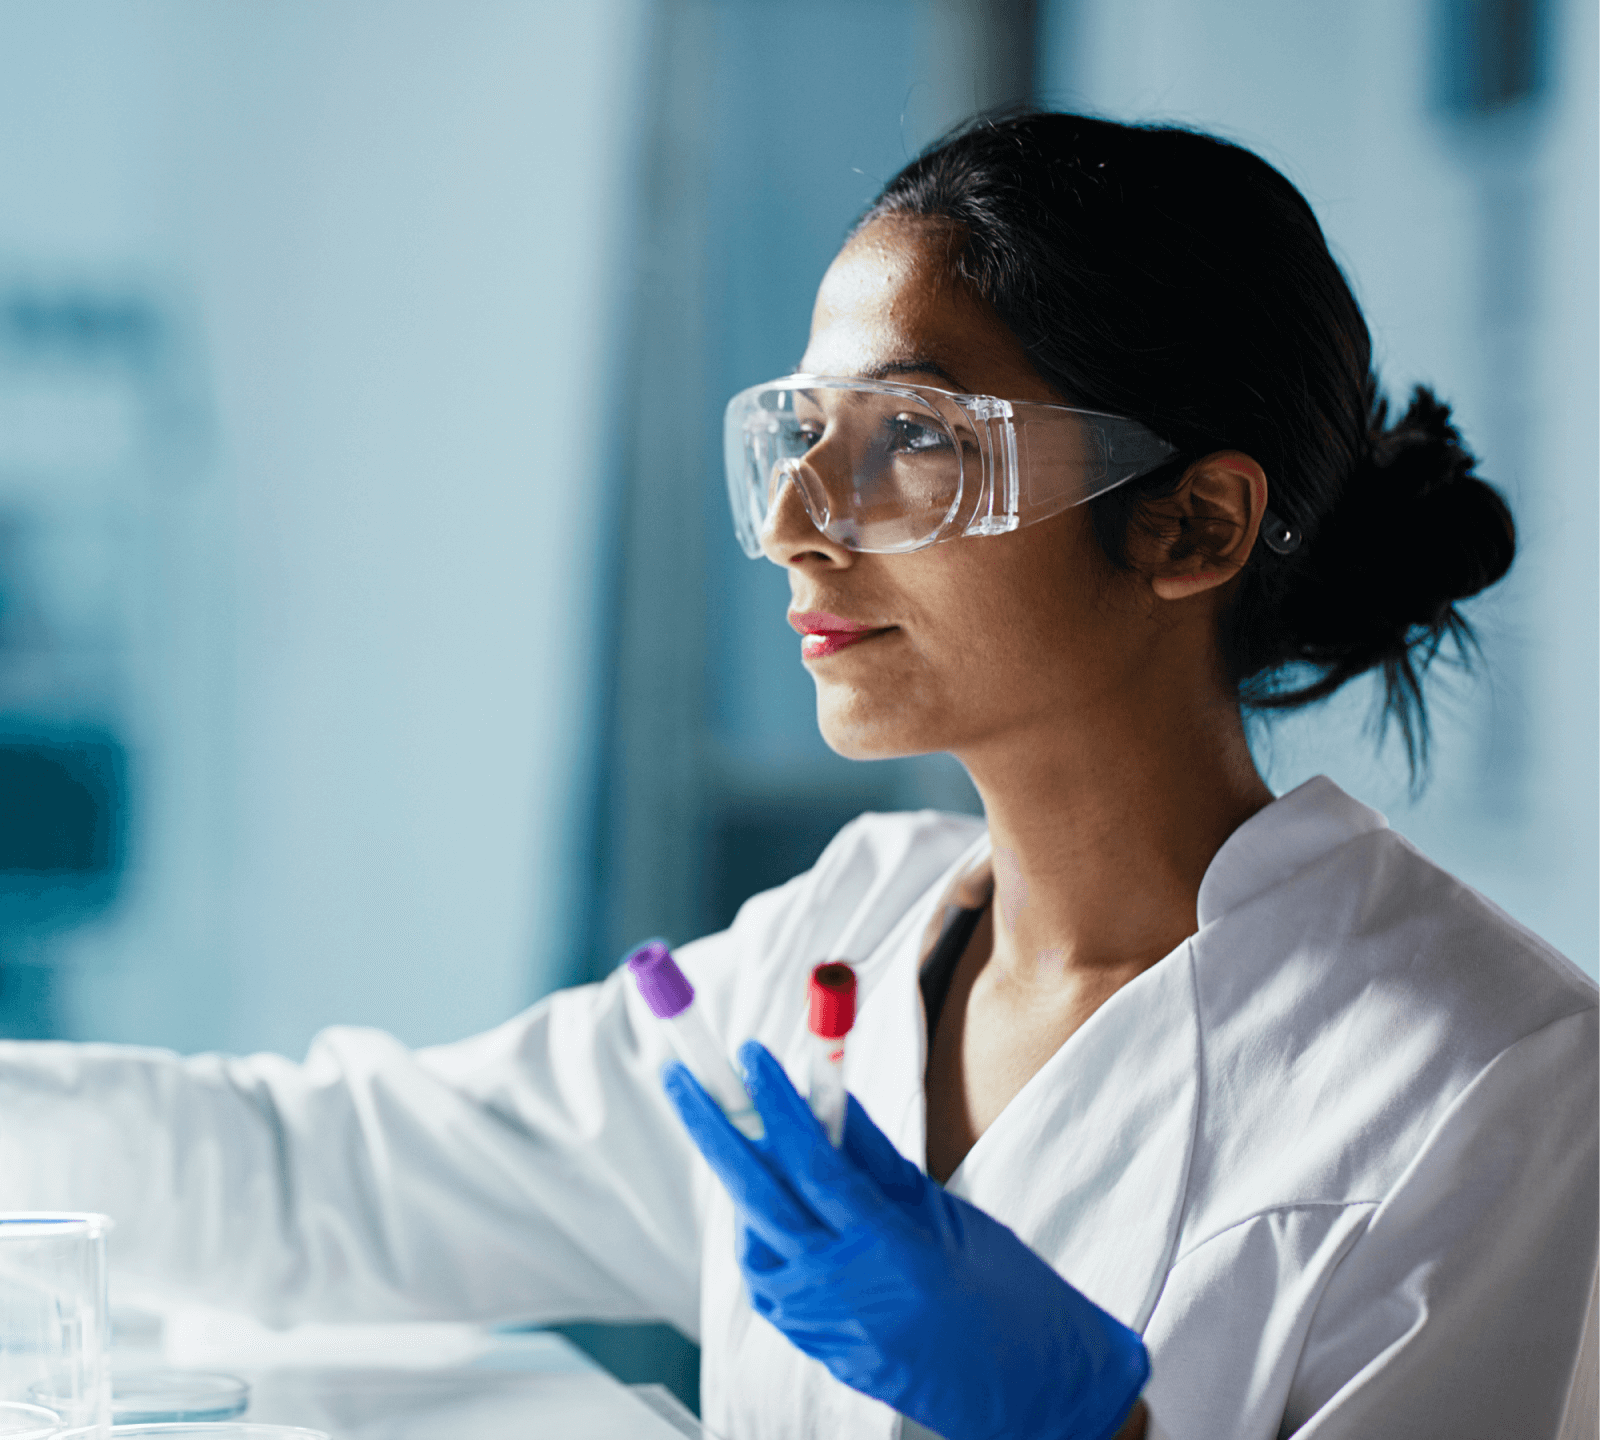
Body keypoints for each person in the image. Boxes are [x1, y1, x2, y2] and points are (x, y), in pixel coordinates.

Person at [1, 113, 1595, 1440]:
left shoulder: (1491, 1087)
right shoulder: (832, 950)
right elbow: (327, 1178)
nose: (792, 521)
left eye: (912, 434)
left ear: (1192, 526)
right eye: (799, 433)